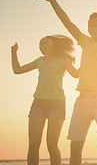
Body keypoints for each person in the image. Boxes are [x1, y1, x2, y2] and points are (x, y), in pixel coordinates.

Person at [39, 0, 97, 165]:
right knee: (75, 145)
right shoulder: (84, 41)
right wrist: (53, 1)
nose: (93, 29)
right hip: (83, 99)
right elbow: (67, 22)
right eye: (90, 26)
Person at [11, 35, 79, 165]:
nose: (42, 42)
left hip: (57, 104)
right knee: (33, 145)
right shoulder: (39, 62)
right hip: (38, 103)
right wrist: (14, 53)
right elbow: (17, 70)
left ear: (54, 43)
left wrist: (90, 59)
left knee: (52, 145)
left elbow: (76, 74)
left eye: (46, 40)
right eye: (40, 42)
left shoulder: (64, 60)